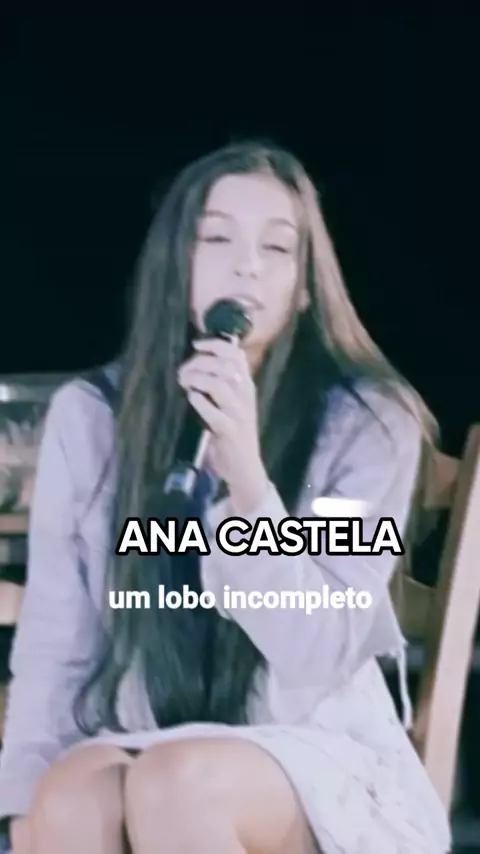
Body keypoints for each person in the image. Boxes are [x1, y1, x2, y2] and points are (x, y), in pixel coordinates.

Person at [0, 140, 451, 854]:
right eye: (217, 239)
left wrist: (245, 473)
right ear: (174, 263)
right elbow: (58, 647)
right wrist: (20, 811)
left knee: (178, 782)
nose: (248, 265)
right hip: (145, 735)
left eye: (277, 248)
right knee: (66, 795)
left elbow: (315, 648)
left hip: (316, 752)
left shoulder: (366, 425)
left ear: (304, 286)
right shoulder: (91, 419)